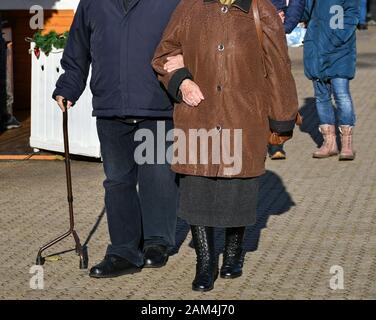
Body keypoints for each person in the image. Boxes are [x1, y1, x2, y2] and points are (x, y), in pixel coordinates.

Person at [152, 0, 299, 292]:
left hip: (244, 117)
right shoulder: (189, 7)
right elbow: (164, 53)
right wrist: (182, 82)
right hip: (198, 116)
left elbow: (279, 66)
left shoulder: (261, 9)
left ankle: (233, 254)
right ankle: (205, 263)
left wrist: (282, 118)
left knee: (238, 191)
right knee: (197, 190)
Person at [53, 0, 183, 278]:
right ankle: (124, 250)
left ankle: (157, 242)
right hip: (110, 106)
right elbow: (78, 49)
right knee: (117, 181)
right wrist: (68, 86)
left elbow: (193, 39)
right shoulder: (92, 3)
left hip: (156, 104)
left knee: (158, 176)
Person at [303, 0, 358, 160]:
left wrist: (337, 39)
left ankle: (346, 144)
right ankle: (330, 143)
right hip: (316, 49)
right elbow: (305, 13)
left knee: (341, 95)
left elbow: (351, 15)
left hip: (339, 52)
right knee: (322, 97)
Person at [269, 0, 305, 160]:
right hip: (244, 28)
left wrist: (286, 26)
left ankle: (276, 139)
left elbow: (297, 2)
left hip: (275, 30)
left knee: (277, 86)